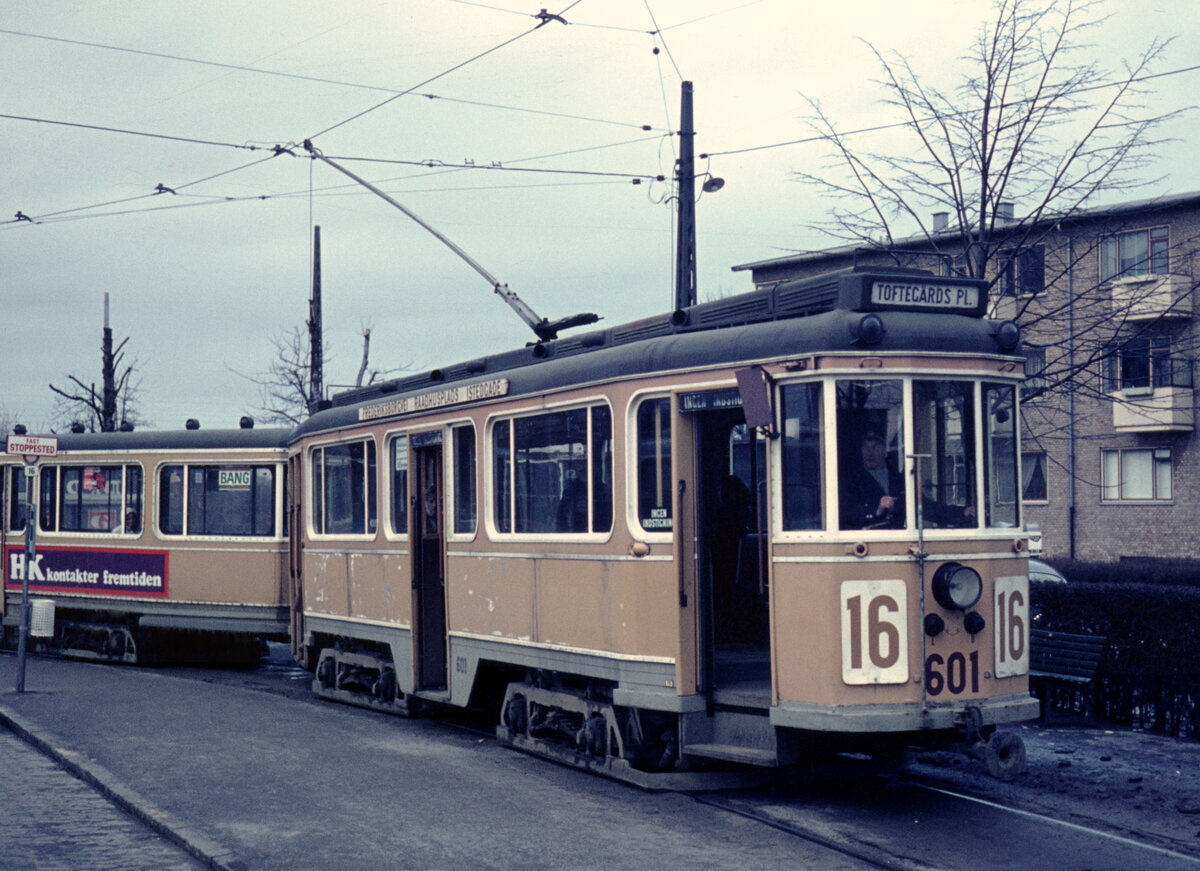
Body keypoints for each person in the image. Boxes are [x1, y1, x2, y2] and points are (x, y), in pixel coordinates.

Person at [840, 431, 977, 530]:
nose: (869, 452)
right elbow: (846, 513)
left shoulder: (899, 480)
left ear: (885, 451)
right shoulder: (851, 481)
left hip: (898, 544)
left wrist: (962, 512)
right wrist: (876, 510)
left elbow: (924, 507)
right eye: (865, 446)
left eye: (875, 446)